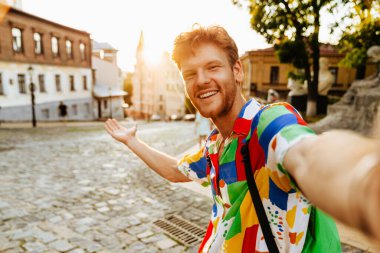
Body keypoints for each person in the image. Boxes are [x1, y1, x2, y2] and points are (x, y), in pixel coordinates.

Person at [105, 25, 380, 252]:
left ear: (237, 71)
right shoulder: (216, 144)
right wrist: (132, 142)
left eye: (213, 67)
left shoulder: (268, 124)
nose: (201, 80)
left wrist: (365, 181)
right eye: (190, 74)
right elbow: (177, 171)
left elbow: (307, 155)